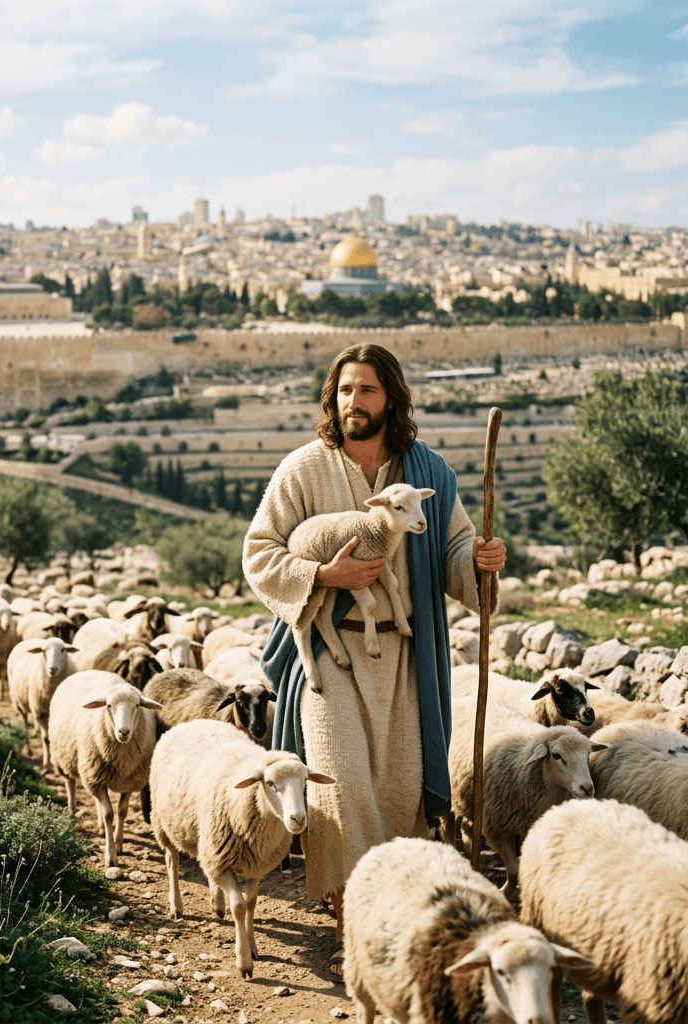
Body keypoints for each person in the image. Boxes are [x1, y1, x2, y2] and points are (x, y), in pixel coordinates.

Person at [242, 343, 505, 980]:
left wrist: (480, 563)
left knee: (397, 790)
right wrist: (321, 574)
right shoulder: (303, 469)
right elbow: (260, 552)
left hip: (403, 656)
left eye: (367, 390)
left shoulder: (428, 472)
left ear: (391, 399)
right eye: (344, 391)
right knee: (343, 786)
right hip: (328, 652)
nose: (353, 402)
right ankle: (350, 923)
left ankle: (396, 917)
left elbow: (454, 548)